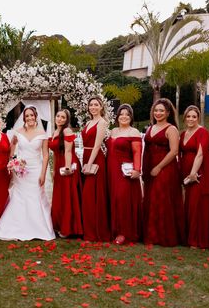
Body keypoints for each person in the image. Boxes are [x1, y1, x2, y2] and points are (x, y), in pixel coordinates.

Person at [0, 106, 55, 241]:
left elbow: (45, 156)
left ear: (36, 116)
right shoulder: (18, 132)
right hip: (21, 171)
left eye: (32, 115)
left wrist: (43, 174)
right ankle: (15, 227)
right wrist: (14, 162)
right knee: (20, 197)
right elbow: (11, 149)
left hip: (36, 169)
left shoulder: (42, 134)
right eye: (27, 116)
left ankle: (38, 229)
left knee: (36, 196)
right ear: (24, 118)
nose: (30, 118)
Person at [142, 98, 185, 246]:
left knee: (161, 199)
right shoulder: (149, 128)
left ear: (167, 113)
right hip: (150, 168)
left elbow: (174, 151)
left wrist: (159, 167)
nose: (158, 113)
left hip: (165, 168)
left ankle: (164, 235)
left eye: (161, 111)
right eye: (156, 110)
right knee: (151, 198)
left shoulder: (171, 129)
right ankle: (151, 233)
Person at [106, 104, 142, 244]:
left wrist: (137, 169)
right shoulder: (113, 131)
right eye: (121, 114)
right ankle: (113, 229)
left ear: (131, 117)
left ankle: (124, 232)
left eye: (127, 114)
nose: (124, 116)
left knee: (123, 200)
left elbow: (137, 152)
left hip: (124, 171)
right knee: (113, 198)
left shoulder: (134, 132)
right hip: (111, 170)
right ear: (117, 116)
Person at [179, 106, 209, 249]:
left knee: (196, 205)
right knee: (188, 205)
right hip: (185, 172)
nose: (191, 119)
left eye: (194, 116)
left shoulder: (202, 132)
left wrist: (193, 172)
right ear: (185, 118)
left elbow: (201, 153)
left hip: (197, 173)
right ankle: (188, 236)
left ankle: (197, 240)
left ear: (198, 118)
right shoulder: (183, 133)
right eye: (188, 116)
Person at [48, 109, 83, 238]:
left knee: (68, 196)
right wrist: (53, 170)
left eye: (63, 117)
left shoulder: (67, 131)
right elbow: (55, 153)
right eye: (58, 116)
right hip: (59, 166)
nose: (60, 119)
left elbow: (68, 151)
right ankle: (59, 225)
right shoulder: (55, 132)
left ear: (67, 119)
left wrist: (67, 168)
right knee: (60, 196)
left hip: (68, 165)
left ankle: (69, 228)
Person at [80, 96, 111, 242]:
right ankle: (88, 229)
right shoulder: (88, 122)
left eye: (96, 105)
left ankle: (96, 231)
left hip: (95, 159)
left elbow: (97, 145)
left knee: (92, 195)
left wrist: (89, 164)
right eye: (91, 105)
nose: (93, 107)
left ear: (101, 107)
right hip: (86, 157)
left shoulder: (102, 122)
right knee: (87, 196)